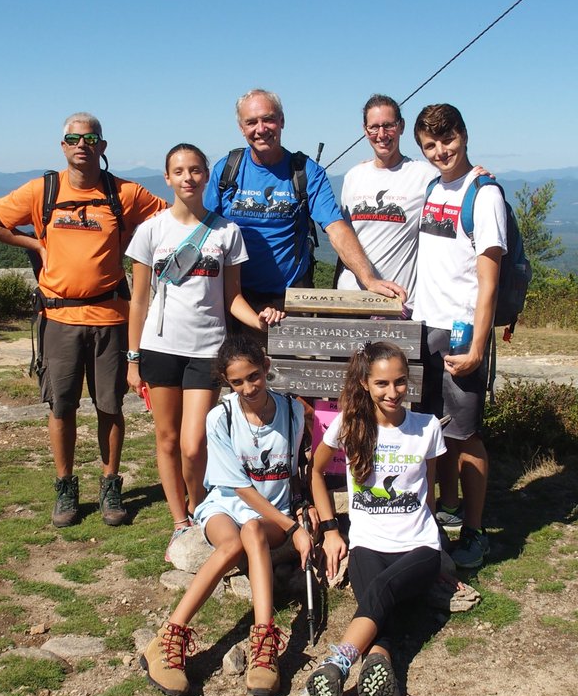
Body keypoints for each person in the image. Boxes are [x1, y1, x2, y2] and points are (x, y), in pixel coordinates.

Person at [0, 113, 167, 529]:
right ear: (63, 146)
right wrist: (35, 244)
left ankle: (110, 484)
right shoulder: (41, 190)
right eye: (73, 138)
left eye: (90, 137)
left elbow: (172, 218)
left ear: (102, 145)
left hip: (111, 315)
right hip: (58, 316)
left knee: (110, 406)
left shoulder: (124, 194)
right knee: (61, 405)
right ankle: (65, 486)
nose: (81, 143)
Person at [125, 143, 284, 559]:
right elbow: (138, 299)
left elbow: (231, 297)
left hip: (208, 348)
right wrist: (132, 357)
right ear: (167, 178)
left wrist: (260, 321)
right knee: (167, 437)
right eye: (179, 171)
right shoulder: (151, 231)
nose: (188, 178)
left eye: (195, 170)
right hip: (159, 348)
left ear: (206, 176)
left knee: (195, 443)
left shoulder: (226, 233)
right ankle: (180, 520)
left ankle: (199, 504)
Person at [140, 336, 314, 696]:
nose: (249, 387)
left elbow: (303, 466)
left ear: (266, 368)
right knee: (234, 539)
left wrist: (304, 509)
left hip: (271, 513)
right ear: (226, 382)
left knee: (251, 530)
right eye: (238, 382)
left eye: (254, 376)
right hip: (227, 504)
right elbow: (240, 489)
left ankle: (263, 647)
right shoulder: (221, 417)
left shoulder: (293, 411)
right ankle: (169, 636)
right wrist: (293, 528)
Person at [298, 341, 446, 696]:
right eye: (382, 383)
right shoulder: (348, 424)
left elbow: (429, 492)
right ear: (365, 383)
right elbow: (314, 471)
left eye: (400, 382)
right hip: (367, 544)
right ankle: (382, 678)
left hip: (419, 547)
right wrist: (330, 528)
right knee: (381, 609)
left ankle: (338, 664)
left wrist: (442, 552)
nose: (392, 392)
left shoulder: (427, 426)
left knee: (378, 593)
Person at [204, 89, 405, 318]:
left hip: (290, 298)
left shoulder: (306, 172)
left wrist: (369, 280)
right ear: (242, 128)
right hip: (235, 297)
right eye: (251, 122)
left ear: (281, 121)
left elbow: (335, 228)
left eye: (268, 119)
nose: (261, 129)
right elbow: (204, 229)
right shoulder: (227, 170)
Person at [411, 104, 506, 570]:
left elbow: (488, 279)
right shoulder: (434, 187)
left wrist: (477, 347)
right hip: (424, 325)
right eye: (430, 145)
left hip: (460, 330)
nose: (441, 151)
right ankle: (445, 510)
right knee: (433, 429)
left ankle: (475, 529)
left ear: (464, 135)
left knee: (466, 434)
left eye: (447, 140)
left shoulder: (483, 194)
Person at [336, 95, 438, 314]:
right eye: (374, 127)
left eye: (388, 126)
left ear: (401, 126)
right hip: (350, 300)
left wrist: (474, 176)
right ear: (365, 130)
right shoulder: (354, 176)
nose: (381, 135)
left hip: (398, 303)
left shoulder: (425, 176)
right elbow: (344, 236)